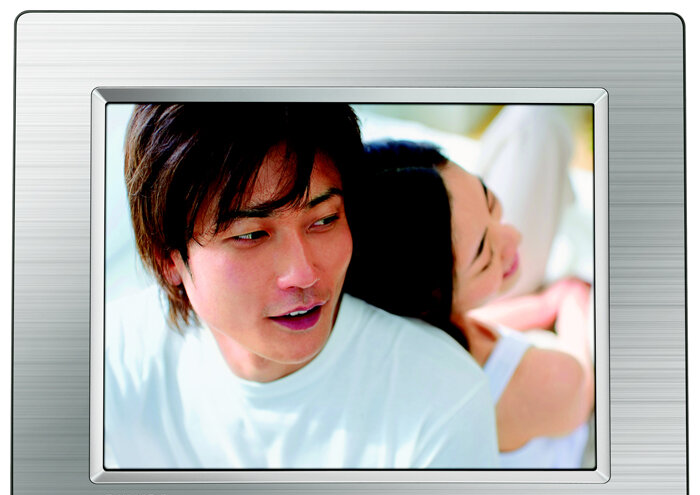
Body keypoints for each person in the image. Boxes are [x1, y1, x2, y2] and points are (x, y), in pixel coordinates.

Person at [104, 103, 499, 469]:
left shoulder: (441, 398)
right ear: (168, 258)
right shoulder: (112, 361)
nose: (304, 274)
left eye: (324, 220)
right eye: (251, 235)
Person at [344, 140, 594, 468]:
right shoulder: (547, 381)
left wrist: (544, 304)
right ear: (429, 303)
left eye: (490, 203)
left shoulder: (402, 334)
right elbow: (583, 389)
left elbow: (479, 327)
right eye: (485, 257)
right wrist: (572, 303)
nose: (514, 237)